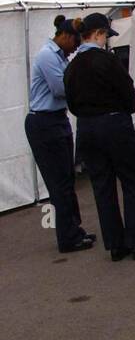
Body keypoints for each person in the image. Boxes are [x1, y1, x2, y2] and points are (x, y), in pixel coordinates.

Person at [64, 12, 135, 262]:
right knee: (132, 182)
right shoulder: (107, 61)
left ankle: (115, 244)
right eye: (105, 36)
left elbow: (72, 104)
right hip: (115, 124)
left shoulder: (71, 67)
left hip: (87, 128)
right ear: (99, 34)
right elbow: (128, 92)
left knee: (102, 187)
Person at [26, 15, 95, 253]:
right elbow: (60, 88)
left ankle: (74, 230)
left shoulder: (60, 56)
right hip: (44, 123)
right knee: (59, 183)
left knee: (67, 179)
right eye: (75, 42)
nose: (76, 48)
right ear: (65, 36)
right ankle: (68, 238)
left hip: (57, 120)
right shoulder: (47, 55)